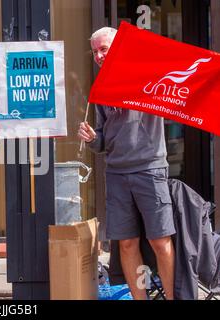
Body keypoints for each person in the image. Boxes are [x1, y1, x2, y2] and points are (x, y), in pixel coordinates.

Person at [78, 27, 176, 300]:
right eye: (95, 51)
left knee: (160, 240)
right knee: (127, 243)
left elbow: (174, 69)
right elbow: (102, 141)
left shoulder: (147, 73)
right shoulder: (100, 87)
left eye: (104, 49)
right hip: (117, 172)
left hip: (150, 168)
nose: (98, 55)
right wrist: (92, 138)